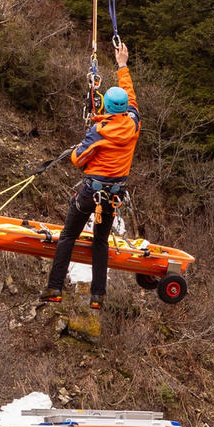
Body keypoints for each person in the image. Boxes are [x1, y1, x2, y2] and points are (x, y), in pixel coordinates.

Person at [38, 38, 138, 320]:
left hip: (90, 194)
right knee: (100, 242)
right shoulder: (133, 123)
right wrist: (122, 66)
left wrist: (83, 144)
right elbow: (130, 96)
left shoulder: (99, 133)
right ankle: (97, 296)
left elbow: (78, 160)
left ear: (107, 106)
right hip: (113, 196)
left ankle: (54, 287)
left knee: (68, 235)